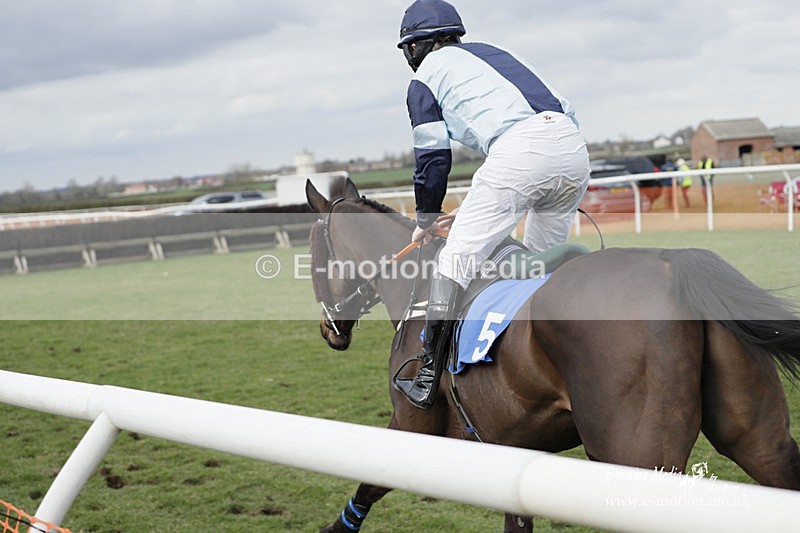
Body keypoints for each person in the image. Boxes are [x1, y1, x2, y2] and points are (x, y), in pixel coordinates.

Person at [393, 0, 590, 409]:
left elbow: (431, 157)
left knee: (455, 260)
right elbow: (559, 115)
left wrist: (426, 217)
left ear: (414, 47)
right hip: (571, 147)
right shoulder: (499, 53)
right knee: (537, 265)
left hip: (519, 153)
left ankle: (427, 375)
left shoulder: (425, 77)